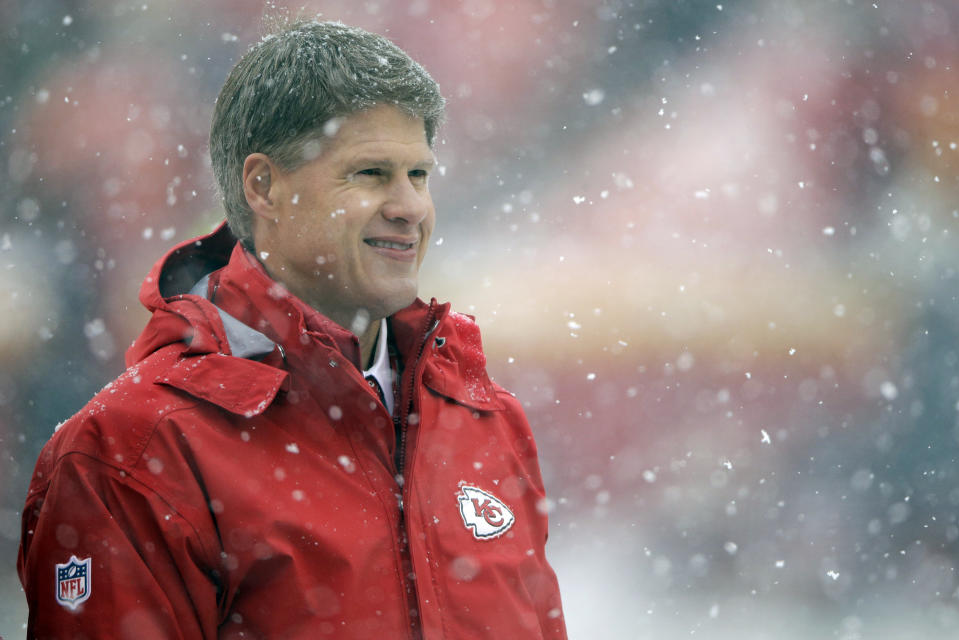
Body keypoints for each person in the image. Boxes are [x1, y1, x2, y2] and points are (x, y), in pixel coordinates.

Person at [17, 19, 567, 640]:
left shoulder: (485, 419)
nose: (410, 207)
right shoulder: (133, 449)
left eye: (419, 175)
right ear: (264, 186)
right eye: (370, 174)